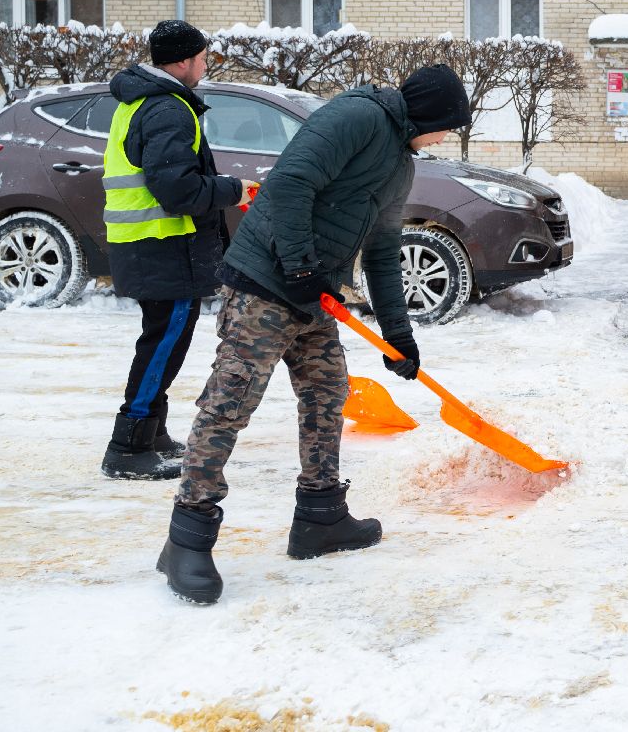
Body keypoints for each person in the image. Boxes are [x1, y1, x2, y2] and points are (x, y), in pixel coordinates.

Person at [157, 65, 470, 605]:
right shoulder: (357, 116)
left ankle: (320, 516)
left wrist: (398, 332)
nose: (446, 137)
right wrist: (300, 265)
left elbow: (381, 250)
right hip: (263, 282)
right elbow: (291, 181)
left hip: (311, 294)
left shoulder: (400, 164)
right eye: (447, 126)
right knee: (229, 405)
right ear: (428, 114)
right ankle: (188, 534)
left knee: (328, 395)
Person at [100, 21, 257, 480]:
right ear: (185, 60)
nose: (205, 66)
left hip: (151, 244)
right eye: (203, 58)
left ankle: (152, 432)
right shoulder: (168, 108)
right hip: (162, 245)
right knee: (163, 343)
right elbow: (177, 189)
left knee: (165, 341)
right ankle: (127, 447)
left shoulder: (140, 103)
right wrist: (233, 190)